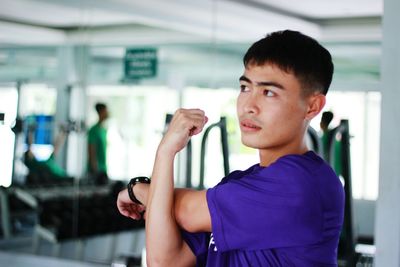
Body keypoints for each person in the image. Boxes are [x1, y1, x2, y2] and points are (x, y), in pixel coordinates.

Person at [117, 30, 344, 266]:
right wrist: (165, 153)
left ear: (312, 106)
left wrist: (140, 190)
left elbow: (187, 212)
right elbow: (164, 261)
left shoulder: (302, 182)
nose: (248, 106)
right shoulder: (239, 184)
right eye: (245, 88)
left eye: (268, 93)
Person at [87, 102, 109, 185]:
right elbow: (91, 150)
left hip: (103, 168)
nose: (107, 113)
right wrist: (94, 169)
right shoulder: (93, 130)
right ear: (100, 112)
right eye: (105, 111)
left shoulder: (103, 130)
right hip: (96, 170)